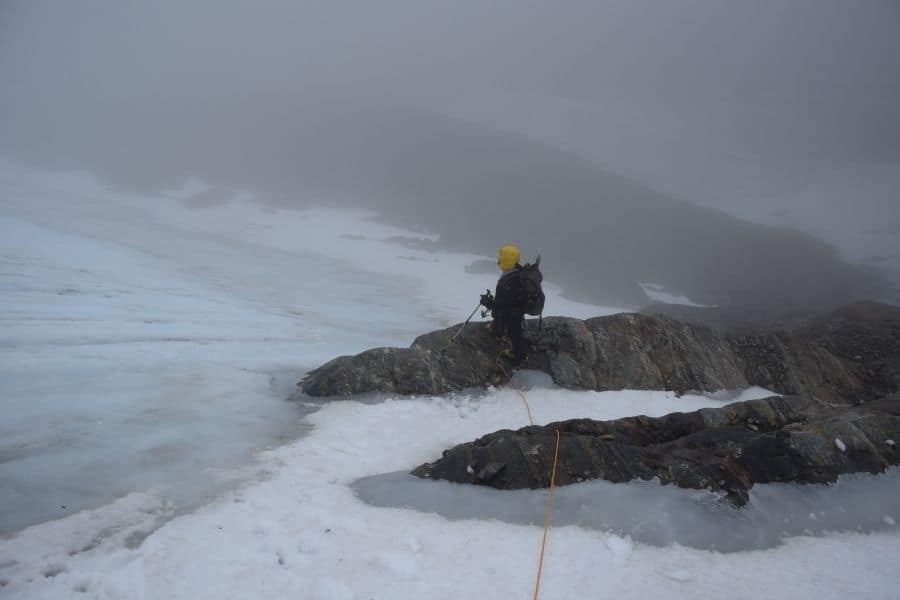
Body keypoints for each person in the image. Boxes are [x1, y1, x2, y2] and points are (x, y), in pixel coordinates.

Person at [480, 245, 530, 361]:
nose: (499, 259)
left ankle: (519, 355)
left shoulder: (508, 279)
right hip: (519, 309)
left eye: (501, 257)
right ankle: (497, 329)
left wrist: (487, 302)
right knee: (512, 325)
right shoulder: (518, 273)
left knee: (514, 332)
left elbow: (501, 305)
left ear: (506, 259)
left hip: (512, 313)